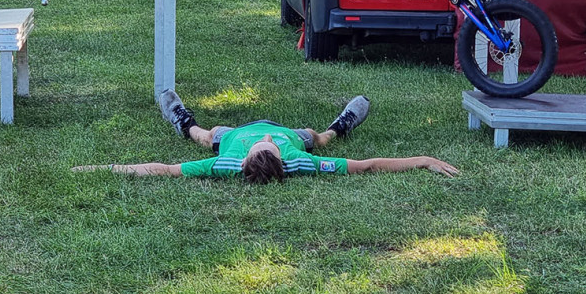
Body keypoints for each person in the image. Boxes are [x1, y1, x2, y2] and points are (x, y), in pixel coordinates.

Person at [72, 91, 458, 183]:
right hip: (294, 133)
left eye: (265, 144)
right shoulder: (297, 158)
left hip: (229, 134)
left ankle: (181, 118)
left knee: (205, 136)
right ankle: (342, 123)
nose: (265, 140)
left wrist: (102, 166)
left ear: (242, 161)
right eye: (268, 145)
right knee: (320, 139)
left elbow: (165, 168)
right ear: (279, 153)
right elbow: (369, 165)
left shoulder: (227, 161)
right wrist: (422, 159)